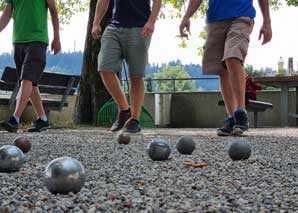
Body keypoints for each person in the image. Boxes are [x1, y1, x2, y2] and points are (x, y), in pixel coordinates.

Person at [179, 0, 272, 136]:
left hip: (241, 16)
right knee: (221, 69)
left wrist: (267, 22)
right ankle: (232, 118)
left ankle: (241, 113)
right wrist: (186, 16)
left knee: (232, 57)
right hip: (215, 19)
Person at [92, 0, 162, 133]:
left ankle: (134, 120)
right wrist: (96, 23)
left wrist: (152, 21)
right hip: (114, 27)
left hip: (140, 27)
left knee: (136, 75)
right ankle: (125, 110)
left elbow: (158, 1)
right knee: (104, 67)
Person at [0, 0, 61, 132]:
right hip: (18, 41)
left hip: (37, 40)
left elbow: (53, 10)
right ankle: (43, 120)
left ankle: (15, 119)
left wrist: (57, 37)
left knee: (26, 80)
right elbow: (7, 13)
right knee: (30, 84)